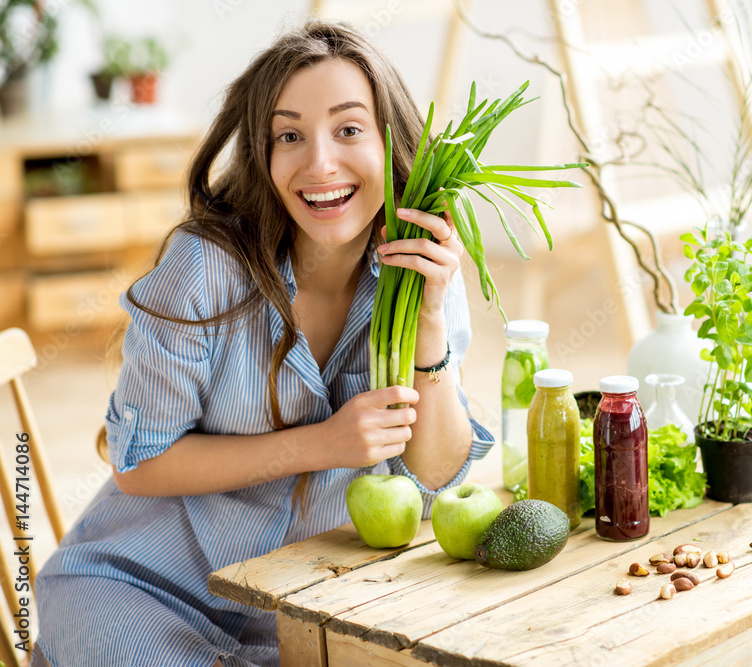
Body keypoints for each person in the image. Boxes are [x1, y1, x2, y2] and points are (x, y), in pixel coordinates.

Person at [32, 21, 493, 667]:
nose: (320, 163)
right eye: (289, 136)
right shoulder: (204, 271)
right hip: (138, 587)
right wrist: (321, 445)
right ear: (262, 152)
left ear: (392, 142)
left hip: (303, 606)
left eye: (350, 129)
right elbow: (140, 463)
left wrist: (432, 325)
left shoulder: (421, 271)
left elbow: (437, 475)